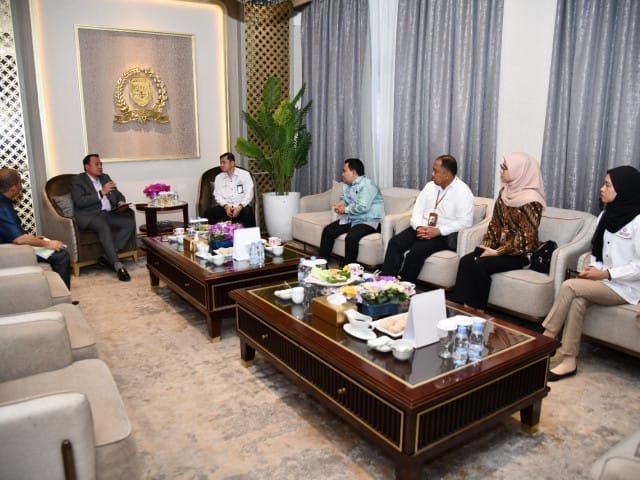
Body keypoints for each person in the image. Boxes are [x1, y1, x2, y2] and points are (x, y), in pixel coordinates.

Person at [542, 165, 640, 381]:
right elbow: (598, 251)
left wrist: (606, 274)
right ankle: (569, 360)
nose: (602, 189)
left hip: (627, 288)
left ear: (623, 189)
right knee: (577, 301)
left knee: (569, 286)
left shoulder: (638, 222)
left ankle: (545, 340)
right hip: (605, 281)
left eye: (607, 185)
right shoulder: (606, 214)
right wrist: (594, 269)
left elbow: (638, 267)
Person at [451, 152, 545, 311]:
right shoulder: (505, 193)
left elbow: (526, 237)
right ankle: (458, 308)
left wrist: (497, 252)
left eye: (505, 168)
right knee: (466, 261)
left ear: (519, 171)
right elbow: (495, 224)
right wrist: (486, 247)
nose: (501, 171)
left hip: (520, 254)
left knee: (481, 265)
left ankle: (476, 312)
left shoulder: (532, 200)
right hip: (498, 248)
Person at [381, 154, 474, 282]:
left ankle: (404, 287)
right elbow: (417, 211)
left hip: (442, 235)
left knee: (416, 251)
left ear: (447, 175)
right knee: (395, 243)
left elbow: (466, 221)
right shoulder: (430, 186)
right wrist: (419, 226)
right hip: (421, 228)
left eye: (436, 171)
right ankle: (385, 283)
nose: (432, 174)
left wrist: (438, 231)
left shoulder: (463, 192)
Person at [0, 167, 72, 288]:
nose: (22, 186)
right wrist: (48, 244)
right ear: (13, 188)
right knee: (61, 256)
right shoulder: (3, 207)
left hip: (9, 245)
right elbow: (19, 239)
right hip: (8, 251)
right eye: (20, 183)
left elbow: (11, 233)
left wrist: (34, 240)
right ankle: (62, 293)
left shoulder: (3, 201)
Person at [71, 154, 136, 282]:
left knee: (129, 223)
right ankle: (117, 265)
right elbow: (80, 202)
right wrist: (101, 192)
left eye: (101, 164)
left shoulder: (105, 177)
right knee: (103, 227)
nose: (100, 166)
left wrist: (120, 202)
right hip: (89, 215)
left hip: (107, 213)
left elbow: (118, 194)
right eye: (97, 164)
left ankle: (108, 256)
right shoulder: (78, 180)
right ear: (87, 167)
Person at [318, 158, 384, 265]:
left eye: (344, 171)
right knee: (328, 230)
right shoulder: (347, 184)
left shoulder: (367, 185)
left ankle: (349, 267)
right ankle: (321, 262)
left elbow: (363, 207)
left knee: (352, 237)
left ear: (353, 172)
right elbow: (344, 198)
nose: (342, 174)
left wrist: (345, 209)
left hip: (368, 221)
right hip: (353, 218)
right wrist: (342, 203)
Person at [205, 152, 256, 227]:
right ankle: (212, 233)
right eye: (221, 163)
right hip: (225, 207)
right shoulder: (218, 178)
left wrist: (240, 207)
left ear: (232, 163)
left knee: (248, 211)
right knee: (209, 212)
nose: (221, 165)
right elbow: (217, 195)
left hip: (241, 206)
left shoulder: (245, 175)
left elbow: (249, 193)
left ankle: (251, 234)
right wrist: (226, 207)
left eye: (224, 162)